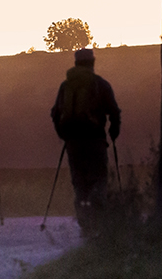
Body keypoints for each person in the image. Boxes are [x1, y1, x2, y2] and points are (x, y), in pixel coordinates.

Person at [50, 48, 121, 231]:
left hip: (73, 142)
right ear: (92, 62)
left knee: (79, 182)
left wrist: (63, 135)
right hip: (96, 140)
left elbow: (55, 113)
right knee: (98, 179)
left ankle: (84, 223)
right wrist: (114, 132)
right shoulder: (100, 84)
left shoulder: (65, 86)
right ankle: (98, 221)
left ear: (75, 63)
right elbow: (114, 111)